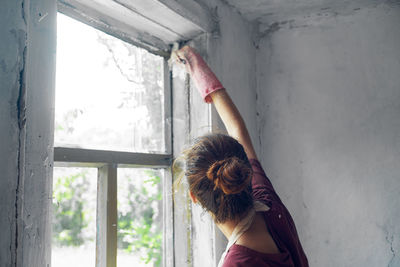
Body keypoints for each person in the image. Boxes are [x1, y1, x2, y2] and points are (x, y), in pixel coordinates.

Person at [171, 46, 309, 267]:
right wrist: (196, 66)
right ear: (241, 171)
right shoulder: (269, 203)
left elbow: (237, 132)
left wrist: (196, 66)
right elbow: (237, 130)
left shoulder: (236, 263)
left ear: (194, 198)